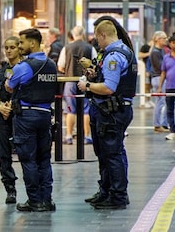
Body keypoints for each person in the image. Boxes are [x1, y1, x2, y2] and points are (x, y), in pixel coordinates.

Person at [78, 18, 136, 210]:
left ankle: (117, 195)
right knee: (107, 153)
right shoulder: (122, 51)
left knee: (111, 154)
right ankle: (107, 191)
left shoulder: (113, 56)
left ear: (103, 35)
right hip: (111, 110)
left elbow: (109, 87)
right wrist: (94, 75)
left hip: (111, 111)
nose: (97, 42)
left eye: (97, 38)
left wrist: (86, 85)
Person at [4, 28, 57, 212]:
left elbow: (9, 86)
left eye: (21, 42)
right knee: (44, 159)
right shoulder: (51, 65)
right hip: (45, 116)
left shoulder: (24, 66)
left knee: (28, 159)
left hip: (26, 116)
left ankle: (35, 201)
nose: (19, 46)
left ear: (32, 43)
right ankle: (47, 199)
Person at [0, 36, 21, 204]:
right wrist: (0, 107)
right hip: (3, 115)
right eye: (6, 47)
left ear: (19, 49)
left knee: (25, 153)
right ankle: (10, 189)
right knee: (3, 155)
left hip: (20, 115)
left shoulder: (24, 68)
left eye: (12, 47)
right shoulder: (2, 71)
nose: (8, 50)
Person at [57, 26, 97, 145]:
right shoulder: (90, 48)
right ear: (83, 34)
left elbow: (60, 66)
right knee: (86, 109)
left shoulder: (67, 48)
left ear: (73, 35)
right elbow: (94, 66)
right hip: (85, 81)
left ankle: (69, 135)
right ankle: (87, 136)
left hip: (70, 81)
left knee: (70, 109)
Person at [150, 31, 169, 132]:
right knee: (160, 102)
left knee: (162, 102)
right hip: (158, 78)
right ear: (158, 39)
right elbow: (162, 67)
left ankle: (162, 123)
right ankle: (158, 124)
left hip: (160, 78)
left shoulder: (161, 51)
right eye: (164, 38)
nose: (166, 40)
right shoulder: (155, 52)